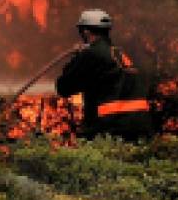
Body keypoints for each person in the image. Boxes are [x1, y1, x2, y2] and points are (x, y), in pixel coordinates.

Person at [53, 8, 155, 140]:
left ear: (86, 32)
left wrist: (76, 58)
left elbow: (64, 87)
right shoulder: (122, 54)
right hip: (140, 127)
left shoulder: (92, 54)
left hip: (108, 129)